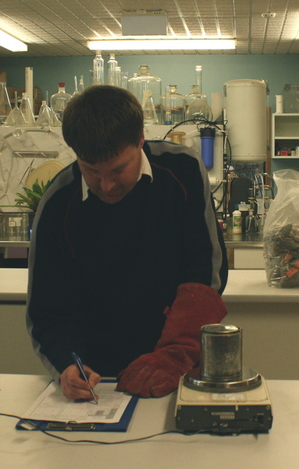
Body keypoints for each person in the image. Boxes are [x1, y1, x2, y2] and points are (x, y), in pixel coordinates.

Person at [26, 85, 228, 400]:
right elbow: (48, 310)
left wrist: (175, 354)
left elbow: (204, 272)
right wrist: (67, 365)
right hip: (99, 380)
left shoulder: (182, 170)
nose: (106, 186)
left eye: (119, 169)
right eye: (91, 171)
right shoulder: (58, 204)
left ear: (141, 140)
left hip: (177, 364)